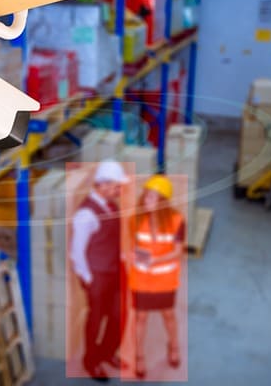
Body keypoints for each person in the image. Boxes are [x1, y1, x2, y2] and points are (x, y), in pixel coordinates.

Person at [70, 160, 129, 382]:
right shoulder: (86, 215)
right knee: (96, 319)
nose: (119, 190)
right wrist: (88, 279)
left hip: (115, 270)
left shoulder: (111, 205)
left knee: (119, 314)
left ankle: (107, 352)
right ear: (102, 185)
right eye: (116, 186)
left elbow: (112, 237)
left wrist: (122, 258)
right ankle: (91, 361)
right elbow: (77, 253)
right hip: (98, 276)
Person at [128, 175, 185, 379]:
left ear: (163, 200)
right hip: (141, 279)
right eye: (146, 196)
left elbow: (178, 252)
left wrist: (154, 261)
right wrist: (132, 255)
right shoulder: (135, 219)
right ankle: (139, 356)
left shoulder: (177, 220)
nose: (146, 200)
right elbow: (134, 247)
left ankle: (174, 346)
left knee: (168, 314)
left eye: (152, 197)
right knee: (140, 317)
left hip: (165, 280)